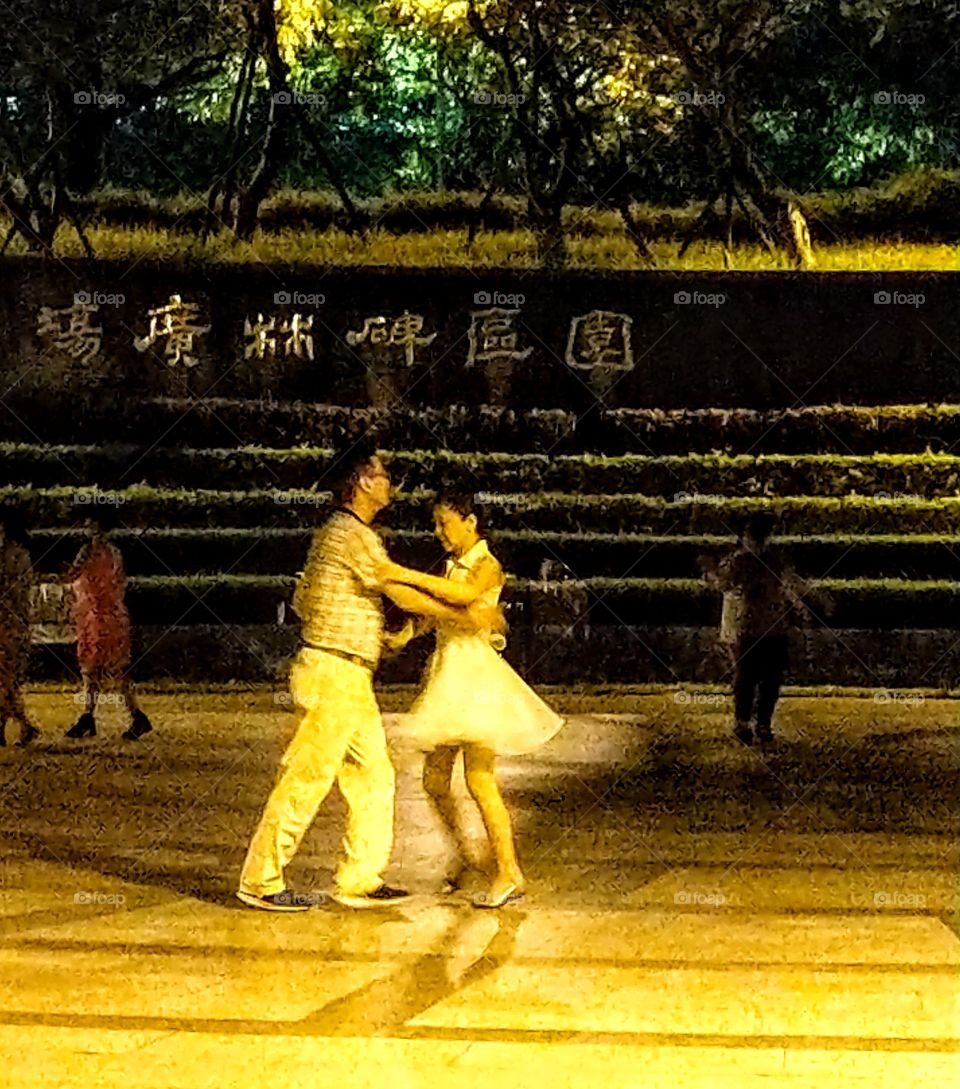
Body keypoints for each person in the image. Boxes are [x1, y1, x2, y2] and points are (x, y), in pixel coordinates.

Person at [237, 443, 501, 913]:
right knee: (307, 776)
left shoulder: (348, 535)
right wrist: (467, 615)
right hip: (333, 670)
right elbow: (398, 589)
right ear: (361, 481)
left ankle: (360, 877)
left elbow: (310, 598)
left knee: (374, 776)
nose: (388, 482)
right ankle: (261, 881)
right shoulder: (348, 534)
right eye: (381, 475)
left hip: (350, 674)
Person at [383, 493, 565, 909]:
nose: (439, 532)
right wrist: (407, 633)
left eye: (445, 523)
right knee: (434, 782)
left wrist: (399, 575)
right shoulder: (453, 565)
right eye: (436, 524)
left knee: (479, 779)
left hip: (473, 676)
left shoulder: (486, 565)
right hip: (449, 673)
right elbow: (442, 611)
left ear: (470, 522)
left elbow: (461, 597)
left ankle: (508, 871)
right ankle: (468, 855)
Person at [709, 512, 809, 744]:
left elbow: (722, 584)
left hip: (749, 626)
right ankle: (759, 723)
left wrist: (710, 573)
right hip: (767, 626)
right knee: (767, 677)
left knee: (749, 676)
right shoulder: (768, 560)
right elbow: (790, 584)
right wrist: (803, 606)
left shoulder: (739, 561)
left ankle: (746, 723)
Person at [60, 512, 153, 741]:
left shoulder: (88, 552)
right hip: (113, 614)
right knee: (114, 669)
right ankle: (122, 716)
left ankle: (91, 718)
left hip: (95, 616)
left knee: (92, 669)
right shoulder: (115, 553)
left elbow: (72, 574)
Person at [0, 511, 41, 747]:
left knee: (4, 680)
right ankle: (18, 725)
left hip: (5, 623)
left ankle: (23, 725)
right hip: (20, 623)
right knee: (8, 680)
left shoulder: (5, 557)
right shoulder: (24, 557)